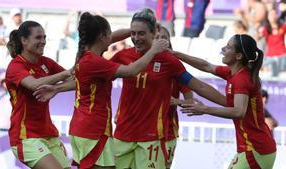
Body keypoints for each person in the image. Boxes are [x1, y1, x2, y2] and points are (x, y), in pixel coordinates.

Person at [33, 11, 169, 169]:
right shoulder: (95, 62)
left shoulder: (87, 56)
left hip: (85, 129)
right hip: (92, 130)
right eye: (109, 34)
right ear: (102, 36)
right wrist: (153, 50)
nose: (112, 37)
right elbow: (132, 71)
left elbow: (80, 81)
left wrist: (136, 30)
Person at [110, 8, 226, 169]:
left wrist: (228, 102)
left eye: (141, 33)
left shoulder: (169, 61)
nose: (136, 38)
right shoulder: (122, 56)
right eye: (133, 33)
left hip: (151, 138)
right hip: (122, 134)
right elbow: (97, 68)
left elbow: (197, 85)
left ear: (153, 33)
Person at [174, 34, 276, 168]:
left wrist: (205, 109)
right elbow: (206, 66)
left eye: (228, 47)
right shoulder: (234, 73)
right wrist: (175, 54)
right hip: (256, 148)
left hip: (256, 149)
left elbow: (239, 112)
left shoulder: (241, 79)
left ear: (238, 56)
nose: (223, 49)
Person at [5, 20, 72, 169]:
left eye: (44, 38)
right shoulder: (16, 66)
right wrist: (66, 73)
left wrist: (56, 89)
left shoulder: (46, 62)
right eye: (38, 38)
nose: (43, 42)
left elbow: (77, 81)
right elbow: (34, 84)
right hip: (25, 138)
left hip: (49, 134)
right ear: (24, 40)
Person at [155, 26, 194, 168]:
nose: (160, 40)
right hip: (139, 132)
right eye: (156, 37)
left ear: (169, 43)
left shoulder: (176, 67)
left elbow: (191, 100)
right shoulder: (139, 64)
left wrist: (176, 101)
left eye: (164, 37)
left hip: (167, 132)